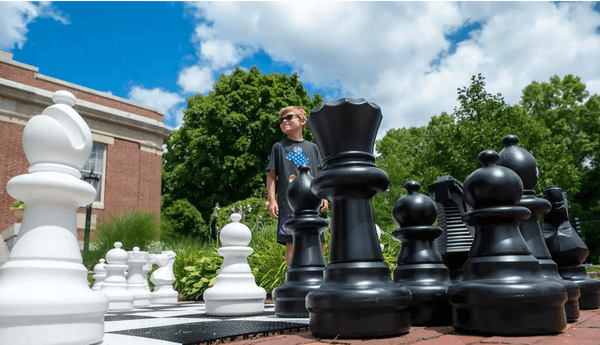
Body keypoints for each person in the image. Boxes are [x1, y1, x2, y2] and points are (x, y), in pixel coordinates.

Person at [266, 106, 328, 266]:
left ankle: (319, 278)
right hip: (289, 204)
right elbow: (271, 175)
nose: (284, 121)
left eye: (289, 117)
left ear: (302, 121)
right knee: (292, 242)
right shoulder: (279, 147)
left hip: (313, 204)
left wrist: (324, 196)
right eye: (281, 119)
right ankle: (293, 280)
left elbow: (320, 174)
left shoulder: (313, 148)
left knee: (318, 241)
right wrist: (272, 200)